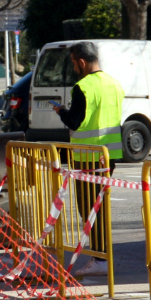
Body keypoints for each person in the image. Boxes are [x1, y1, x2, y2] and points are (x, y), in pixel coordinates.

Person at [53, 40, 123, 278]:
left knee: (89, 209)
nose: (74, 68)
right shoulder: (115, 84)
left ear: (81, 62)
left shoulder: (82, 87)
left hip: (86, 157)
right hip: (108, 156)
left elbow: (75, 122)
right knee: (99, 208)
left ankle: (100, 258)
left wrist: (61, 111)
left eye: (74, 63)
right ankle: (101, 257)